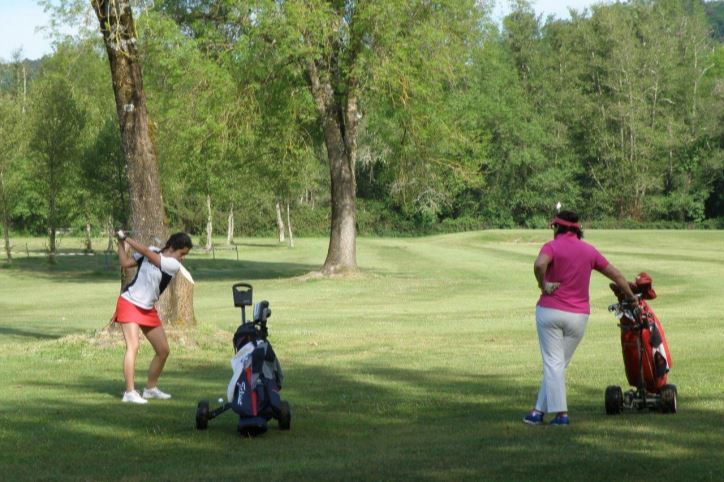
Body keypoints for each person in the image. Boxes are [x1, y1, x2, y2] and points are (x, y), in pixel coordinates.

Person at [523, 210, 636, 426]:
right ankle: (537, 412)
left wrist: (543, 284)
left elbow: (539, 265)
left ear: (558, 227)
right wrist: (632, 298)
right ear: (578, 228)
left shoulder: (552, 246)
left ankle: (561, 414)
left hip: (550, 311)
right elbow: (617, 275)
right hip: (578, 316)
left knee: (553, 364)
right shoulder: (589, 251)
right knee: (558, 365)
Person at [112, 230, 193, 404]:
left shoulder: (173, 265)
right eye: (182, 253)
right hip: (129, 302)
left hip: (147, 309)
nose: (183, 258)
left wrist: (127, 239)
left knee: (163, 350)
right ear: (172, 247)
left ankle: (150, 389)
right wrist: (120, 242)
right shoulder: (152, 250)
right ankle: (130, 392)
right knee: (133, 346)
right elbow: (125, 262)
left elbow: (148, 254)